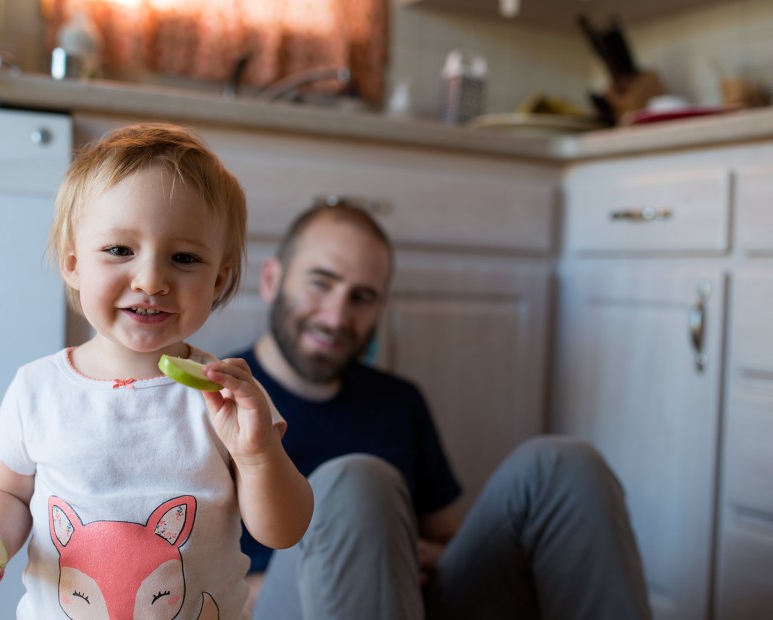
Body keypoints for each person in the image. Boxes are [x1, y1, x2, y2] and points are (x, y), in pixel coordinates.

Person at [0, 123, 313, 619]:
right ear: (73, 263)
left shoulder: (227, 397)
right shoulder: (38, 389)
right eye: (119, 250)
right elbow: (8, 493)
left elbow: (284, 531)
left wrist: (258, 453)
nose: (151, 279)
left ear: (217, 279)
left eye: (184, 257)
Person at [237, 202, 653, 620]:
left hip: (415, 604)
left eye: (362, 297)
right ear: (273, 280)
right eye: (321, 284)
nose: (336, 317)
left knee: (564, 465)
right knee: (358, 481)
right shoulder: (217, 402)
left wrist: (419, 556)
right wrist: (342, 559)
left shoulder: (398, 402)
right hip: (280, 605)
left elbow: (452, 539)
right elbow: (182, 579)